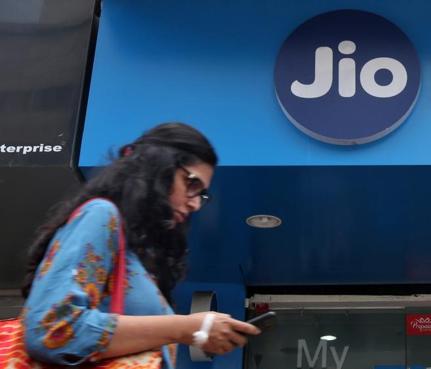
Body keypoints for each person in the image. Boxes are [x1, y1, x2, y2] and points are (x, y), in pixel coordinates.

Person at [20, 122, 259, 368]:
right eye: (191, 184)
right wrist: (187, 327)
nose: (195, 204)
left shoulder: (136, 253)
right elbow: (53, 330)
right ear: (157, 167)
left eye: (202, 195)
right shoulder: (101, 214)